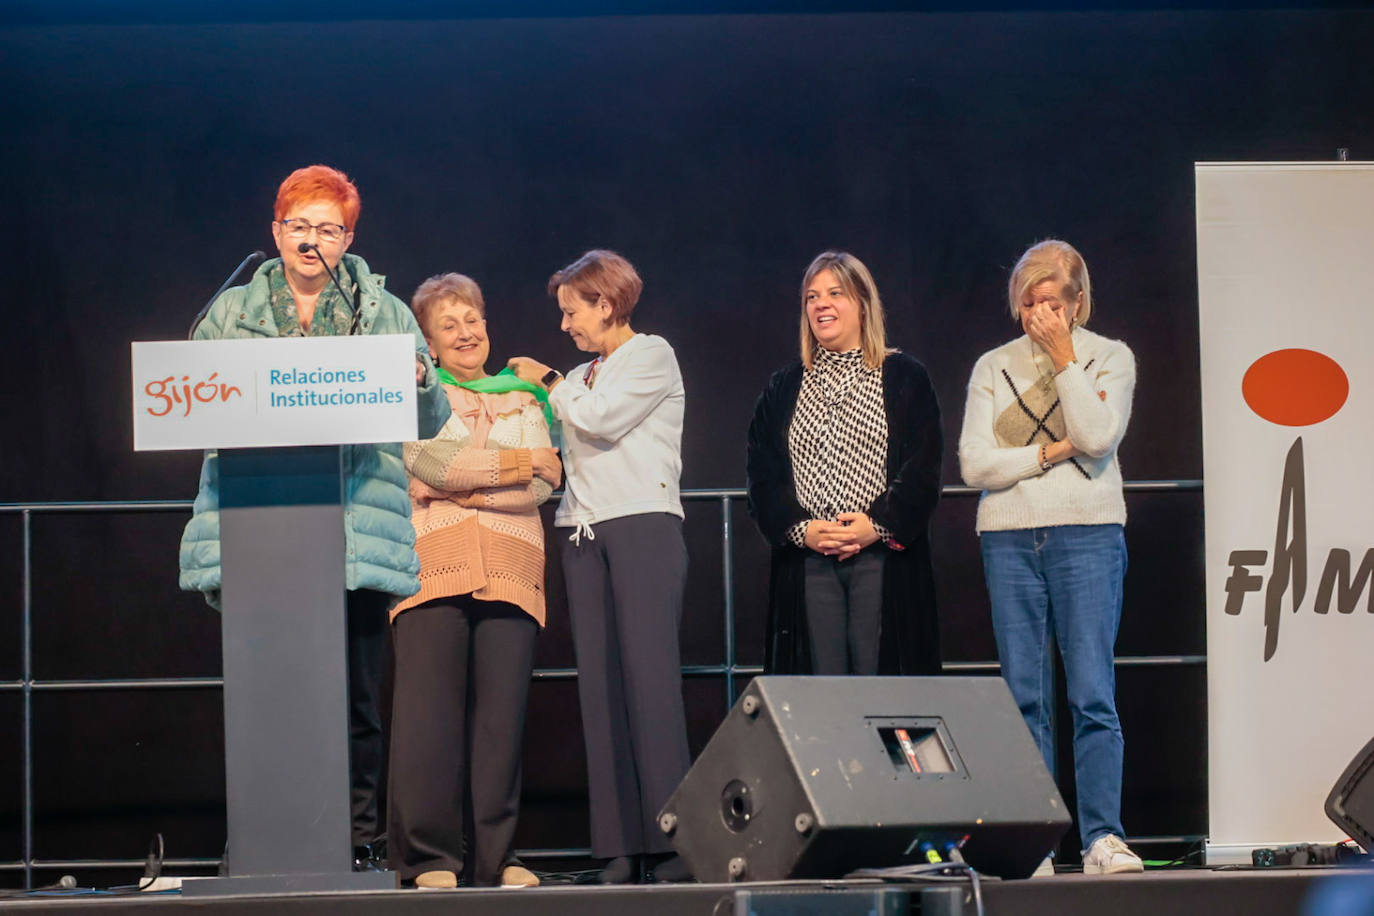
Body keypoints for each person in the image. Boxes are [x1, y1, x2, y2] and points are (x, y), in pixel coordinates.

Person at [178, 165, 451, 866]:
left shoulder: (383, 310)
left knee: (355, 702)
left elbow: (432, 416)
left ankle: (358, 840)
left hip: (355, 530)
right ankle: (262, 842)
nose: (310, 240)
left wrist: (422, 381)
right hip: (258, 525)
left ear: (348, 237)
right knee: (265, 695)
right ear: (275, 232)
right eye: (298, 225)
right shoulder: (232, 311)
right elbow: (192, 398)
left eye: (327, 228)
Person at [957, 239, 1142, 875]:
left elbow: (1097, 436)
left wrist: (1065, 360)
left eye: (1052, 303)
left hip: (1087, 533)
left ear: (1077, 303)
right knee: (1023, 696)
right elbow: (975, 463)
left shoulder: (1108, 359)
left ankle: (1102, 838)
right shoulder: (992, 366)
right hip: (1009, 536)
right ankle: (1032, 840)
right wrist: (1047, 453)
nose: (1039, 315)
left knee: (1092, 692)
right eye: (1029, 303)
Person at [508, 250, 691, 885]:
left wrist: (550, 383)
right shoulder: (583, 374)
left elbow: (604, 421)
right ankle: (618, 846)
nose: (564, 325)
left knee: (651, 687)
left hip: (641, 523)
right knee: (601, 692)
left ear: (604, 304)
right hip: (582, 533)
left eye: (571, 312)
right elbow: (568, 432)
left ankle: (670, 846)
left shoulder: (650, 354)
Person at [387, 273, 560, 889]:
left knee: (501, 723)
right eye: (449, 325)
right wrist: (513, 467)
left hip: (513, 566)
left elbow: (547, 482)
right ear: (429, 344)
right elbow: (425, 467)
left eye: (473, 320)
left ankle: (497, 857)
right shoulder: (413, 395)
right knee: (427, 720)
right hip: (432, 563)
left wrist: (466, 479)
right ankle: (428, 858)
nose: (466, 333)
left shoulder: (524, 396)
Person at [746, 251, 943, 676]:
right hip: (810, 557)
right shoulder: (785, 385)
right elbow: (762, 474)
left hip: (882, 555)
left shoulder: (904, 375)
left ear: (863, 304)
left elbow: (923, 467)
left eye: (835, 293)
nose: (821, 304)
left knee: (882, 687)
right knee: (823, 695)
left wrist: (877, 524)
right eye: (812, 297)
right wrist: (803, 529)